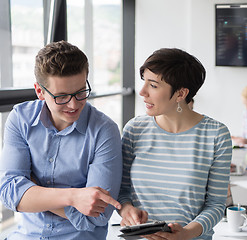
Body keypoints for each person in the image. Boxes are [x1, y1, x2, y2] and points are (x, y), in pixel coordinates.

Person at [0, 41, 122, 240]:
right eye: (62, 96)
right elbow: (9, 193)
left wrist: (33, 190)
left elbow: (97, 216)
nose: (74, 104)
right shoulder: (20, 119)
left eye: (81, 92)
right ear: (40, 92)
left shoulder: (104, 130)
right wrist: (74, 197)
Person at [117, 48, 232, 240]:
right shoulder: (134, 129)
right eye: (144, 82)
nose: (142, 92)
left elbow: (216, 204)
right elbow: (122, 190)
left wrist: (187, 233)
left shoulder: (216, 135)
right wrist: (127, 210)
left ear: (181, 94)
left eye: (153, 85)